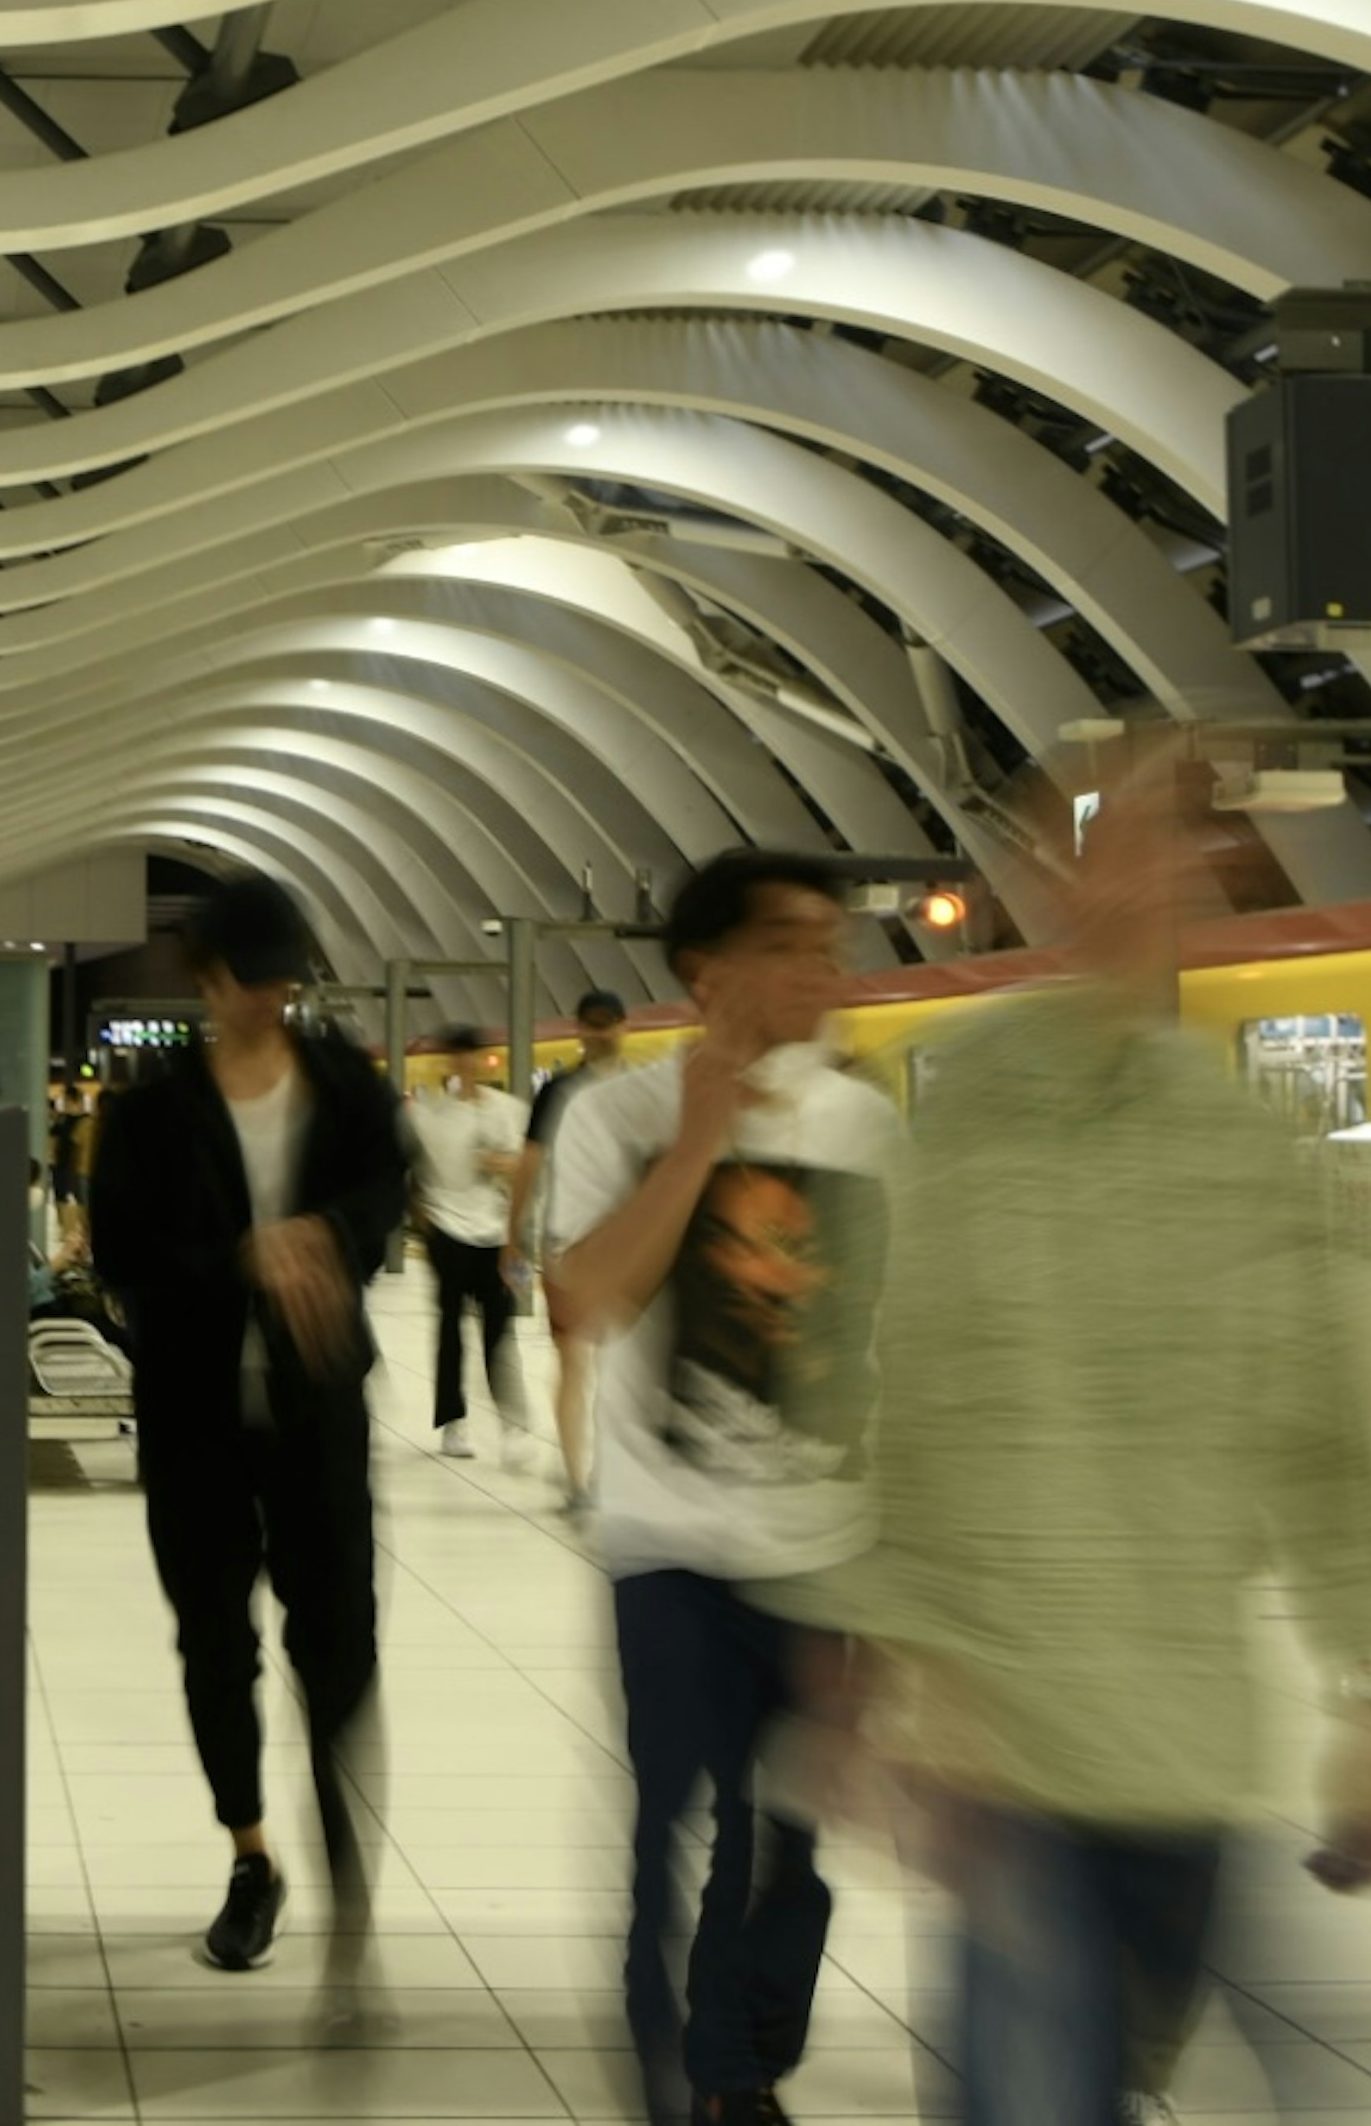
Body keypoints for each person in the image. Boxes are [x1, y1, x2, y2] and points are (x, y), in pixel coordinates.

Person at [787, 762, 1371, 2126]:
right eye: (1108, 849)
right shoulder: (972, 1110)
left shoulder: (1242, 1140)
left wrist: (1366, 1701)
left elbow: (1315, 1429)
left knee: (1301, 2084)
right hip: (1007, 1750)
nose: (1144, 880)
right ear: (1054, 882)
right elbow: (889, 1394)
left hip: (1197, 1743)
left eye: (1172, 853)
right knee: (1036, 2096)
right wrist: (874, 1667)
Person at [543, 852, 891, 2126]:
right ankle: (699, 2086)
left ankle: (743, 2059)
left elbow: (888, 1349)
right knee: (680, 1837)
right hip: (672, 1550)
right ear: (710, 971)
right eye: (795, 944)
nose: (827, 972)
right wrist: (697, 1143)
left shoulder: (866, 1126)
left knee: (794, 1849)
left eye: (830, 944)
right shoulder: (612, 1119)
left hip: (824, 1550)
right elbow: (584, 1299)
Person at [86, 874, 407, 1989]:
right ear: (206, 980)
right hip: (195, 1422)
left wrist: (326, 1235)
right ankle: (251, 1855)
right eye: (248, 979)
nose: (270, 998)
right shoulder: (152, 1108)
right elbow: (120, 1252)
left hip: (318, 1412)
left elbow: (383, 1187)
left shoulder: (342, 1086)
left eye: (283, 979)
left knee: (343, 1643)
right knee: (216, 1645)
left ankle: (344, 1849)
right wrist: (243, 1261)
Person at [513, 988, 635, 1510]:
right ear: (578, 1028)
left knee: (623, 1369)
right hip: (565, 1245)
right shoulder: (556, 1093)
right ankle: (577, 1478)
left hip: (628, 1245)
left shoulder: (642, 1090)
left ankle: (611, 1473)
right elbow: (531, 1163)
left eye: (606, 1023)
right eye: (590, 1024)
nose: (598, 1032)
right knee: (575, 1362)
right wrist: (512, 1234)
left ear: (623, 1026)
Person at [403, 1028, 533, 1461]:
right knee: (450, 1327)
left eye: (471, 1056)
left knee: (500, 1329)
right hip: (448, 1229)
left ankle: (511, 1421)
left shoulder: (508, 1111)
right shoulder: (431, 1115)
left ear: (482, 1060)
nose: (464, 1065)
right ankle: (452, 1422)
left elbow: (526, 1167)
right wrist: (421, 1214)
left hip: (493, 1232)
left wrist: (500, 1163)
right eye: (456, 1057)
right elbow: (409, 1166)